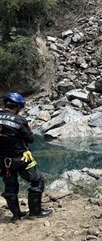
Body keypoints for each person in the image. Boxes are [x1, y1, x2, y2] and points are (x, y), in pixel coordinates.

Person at [0, 93, 53, 221]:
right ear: (17, 107)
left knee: (10, 187)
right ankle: (35, 212)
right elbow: (30, 139)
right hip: (21, 158)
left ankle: (16, 215)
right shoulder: (19, 120)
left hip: (3, 161)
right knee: (37, 180)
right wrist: (28, 128)